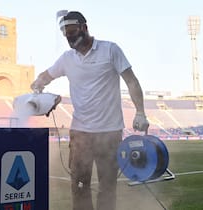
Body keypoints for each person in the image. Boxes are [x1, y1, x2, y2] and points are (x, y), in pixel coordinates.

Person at [31, 11, 149, 210]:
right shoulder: (67, 59)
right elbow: (45, 76)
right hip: (80, 133)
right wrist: (37, 86)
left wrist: (140, 112)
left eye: (72, 29)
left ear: (84, 27)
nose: (69, 35)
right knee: (79, 185)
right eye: (65, 31)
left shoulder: (110, 50)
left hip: (109, 132)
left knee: (107, 187)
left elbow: (131, 80)